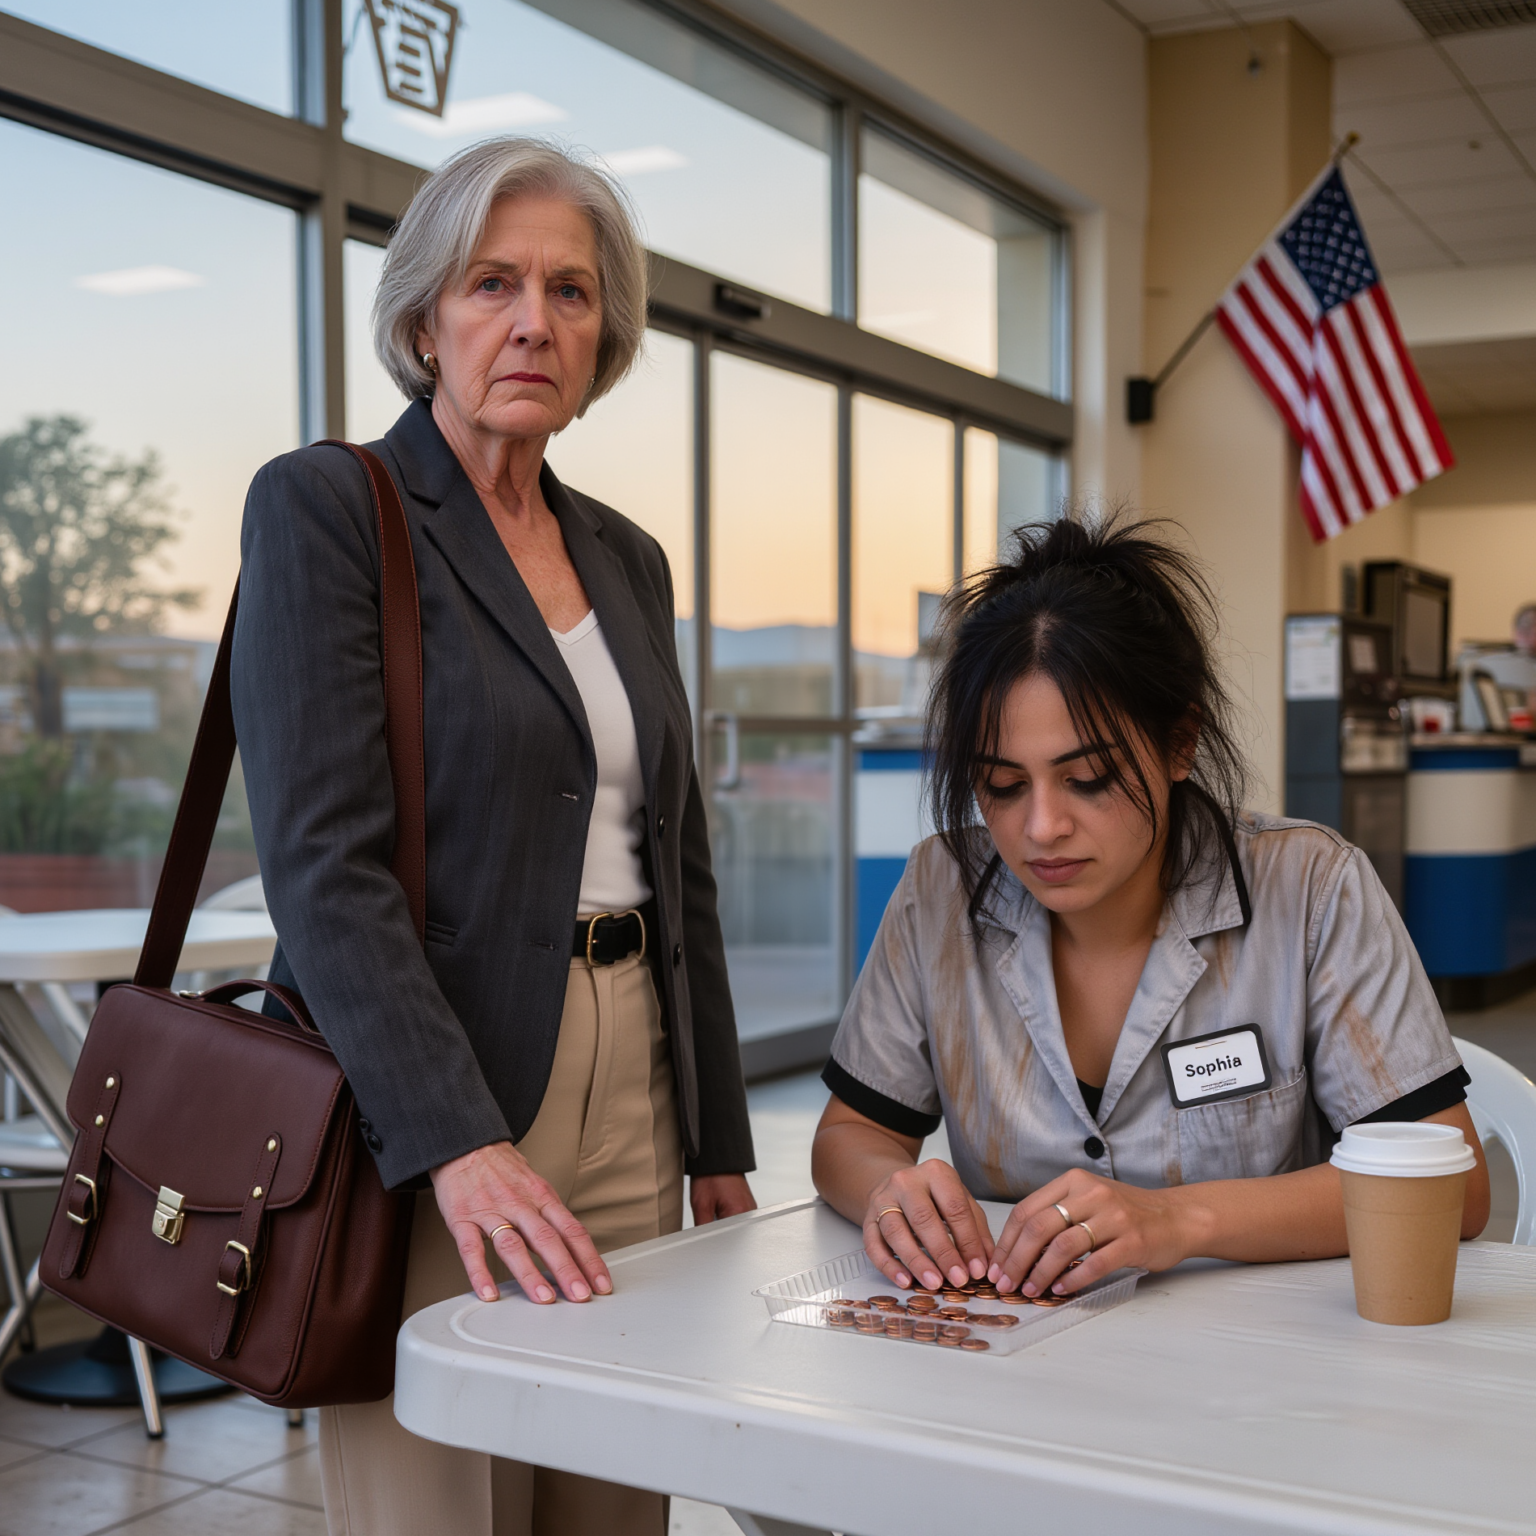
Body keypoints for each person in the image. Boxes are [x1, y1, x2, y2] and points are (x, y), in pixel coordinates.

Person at [231, 138, 755, 1536]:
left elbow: (675, 852)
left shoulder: (626, 556)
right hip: (427, 1096)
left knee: (612, 1501)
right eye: (493, 283)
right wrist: (457, 1141)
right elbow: (325, 868)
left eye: (573, 293)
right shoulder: (331, 508)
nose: (535, 321)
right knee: (437, 1506)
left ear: (607, 335)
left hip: (634, 1074)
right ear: (425, 321)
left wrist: (714, 1132)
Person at [811, 516, 1488, 1301]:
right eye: (1000, 784)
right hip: (1023, 1366)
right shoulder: (940, 888)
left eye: (1089, 777)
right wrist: (890, 1192)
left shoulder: (1310, 888)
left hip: (1258, 1373)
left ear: (1179, 743)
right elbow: (853, 1135)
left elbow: (1451, 1189)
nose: (1041, 828)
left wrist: (1177, 1221)